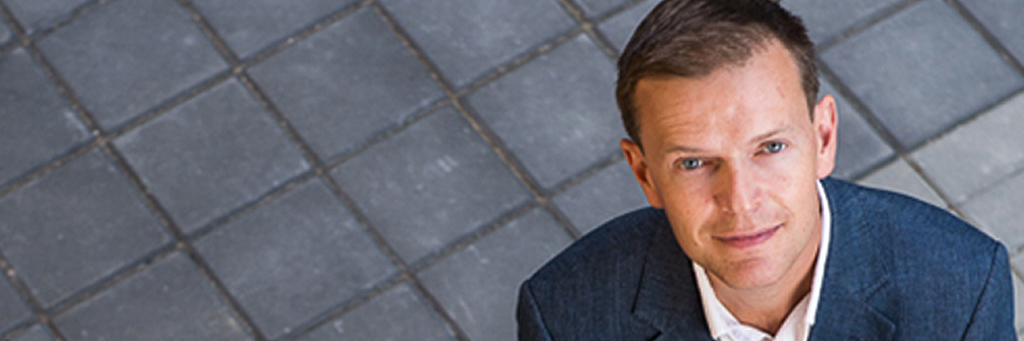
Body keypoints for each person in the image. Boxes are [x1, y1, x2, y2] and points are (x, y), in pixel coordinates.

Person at [516, 0, 1016, 340]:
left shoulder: (960, 287)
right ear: (644, 174)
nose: (741, 200)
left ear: (823, 138)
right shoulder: (566, 314)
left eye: (770, 147)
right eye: (694, 162)